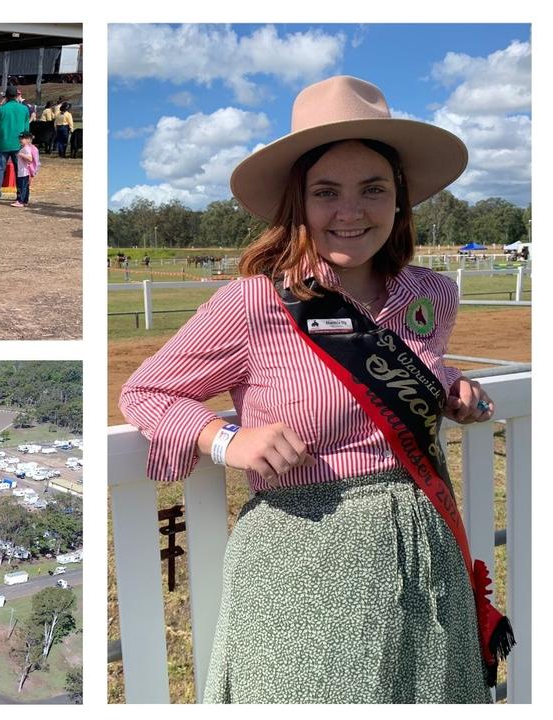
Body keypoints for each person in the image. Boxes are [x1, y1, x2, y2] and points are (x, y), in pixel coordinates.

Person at [119, 75, 503, 703]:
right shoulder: (254, 303)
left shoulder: (431, 295)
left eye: (372, 190)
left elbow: (404, 377)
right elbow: (147, 394)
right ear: (298, 203)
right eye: (326, 192)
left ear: (400, 200)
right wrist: (224, 440)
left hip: (423, 548)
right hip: (305, 557)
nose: (350, 212)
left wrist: (453, 387)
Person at [0, 85, 29, 203]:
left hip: (3, 143)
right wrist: (28, 144)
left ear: (6, 96)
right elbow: (26, 128)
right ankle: (20, 194)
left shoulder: (1, 110)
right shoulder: (24, 109)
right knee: (19, 170)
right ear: (17, 95)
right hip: (19, 144)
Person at [12, 131, 39, 208]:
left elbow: (30, 159)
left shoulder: (26, 149)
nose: (21, 140)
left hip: (23, 171)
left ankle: (20, 201)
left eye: (23, 138)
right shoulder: (24, 148)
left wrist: (21, 154)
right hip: (23, 171)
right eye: (20, 138)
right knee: (25, 187)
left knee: (22, 187)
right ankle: (25, 201)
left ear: (29, 140)